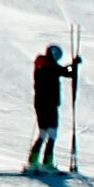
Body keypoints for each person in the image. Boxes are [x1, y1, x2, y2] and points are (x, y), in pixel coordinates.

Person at [26, 44, 78, 172]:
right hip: (49, 104)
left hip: (41, 104)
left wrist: (73, 67)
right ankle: (47, 163)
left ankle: (33, 161)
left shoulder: (42, 65)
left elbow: (65, 72)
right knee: (52, 133)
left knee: (44, 133)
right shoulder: (49, 67)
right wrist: (74, 65)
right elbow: (66, 72)